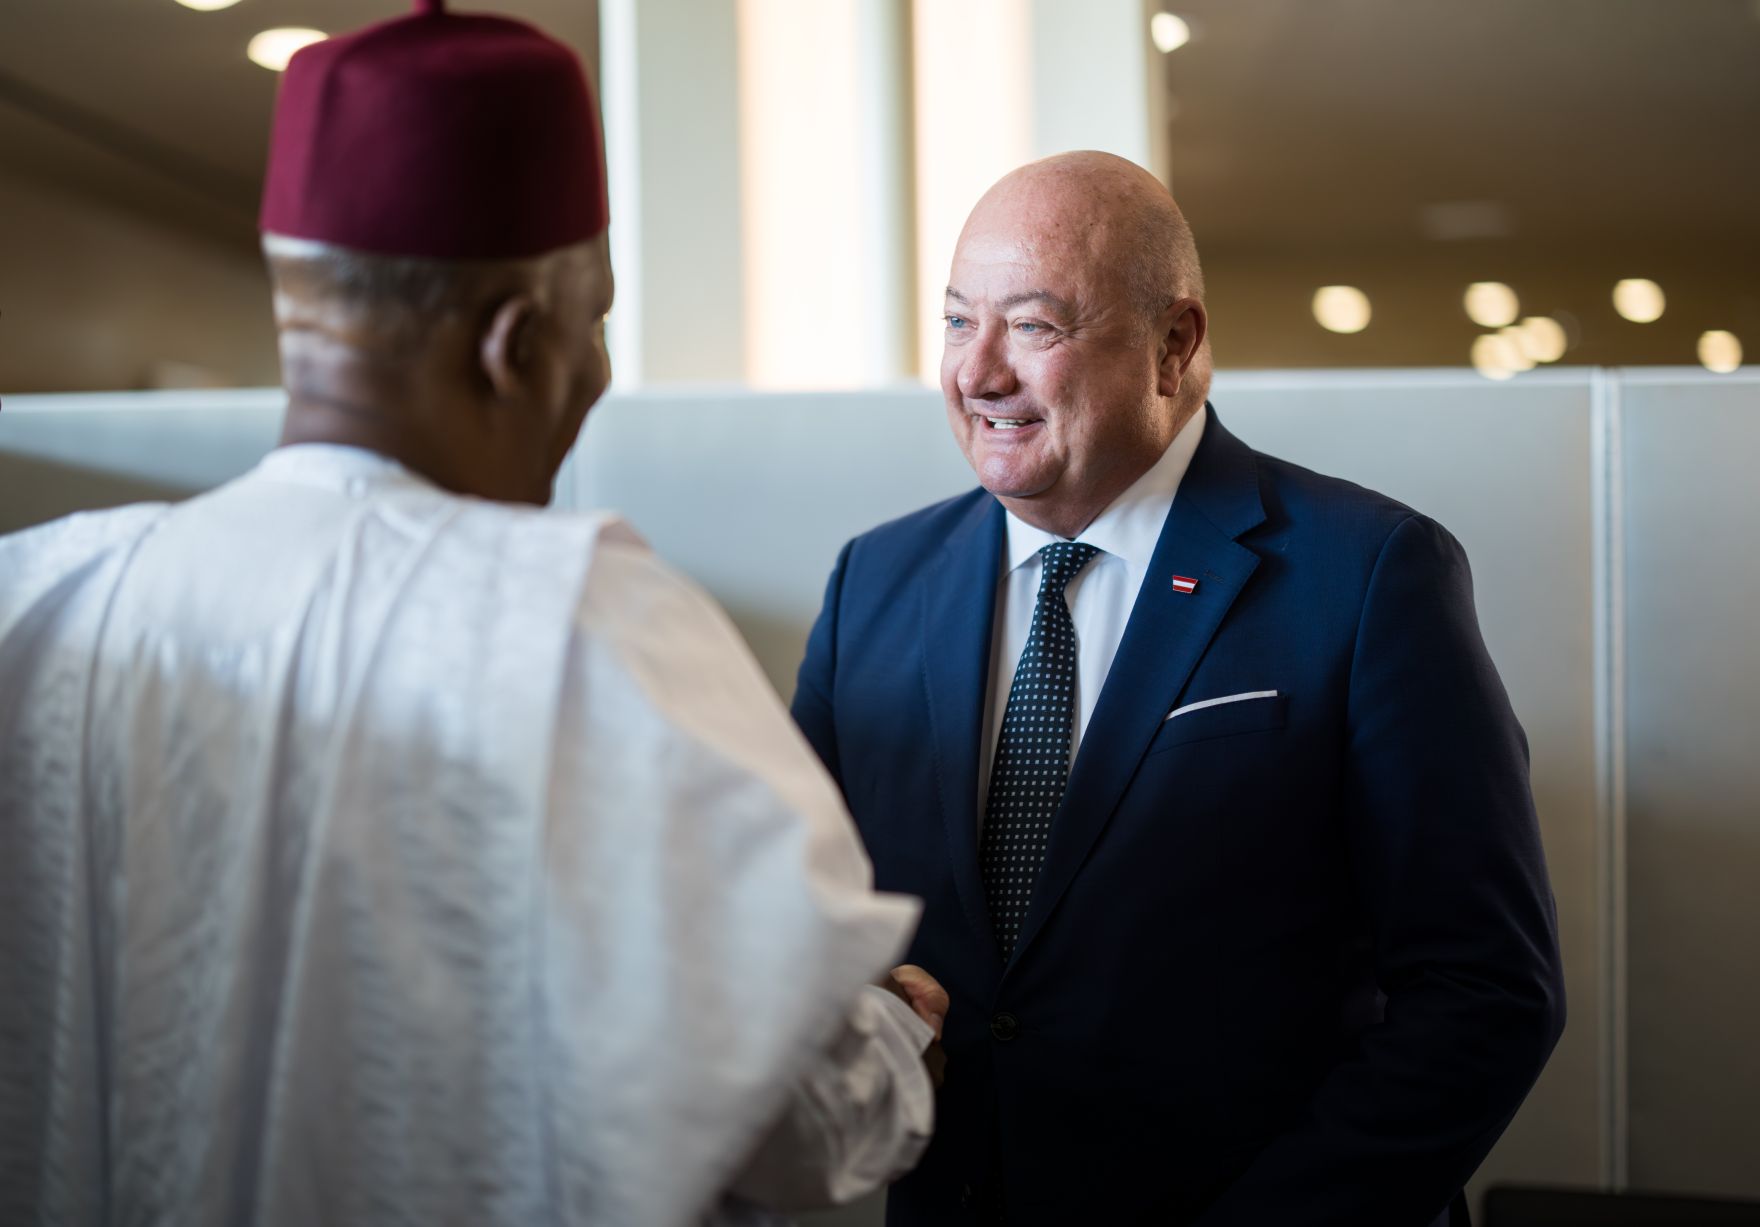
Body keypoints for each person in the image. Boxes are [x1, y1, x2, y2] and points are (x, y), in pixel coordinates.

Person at [0, 4, 946, 1224]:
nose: (593, 373)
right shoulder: (583, 624)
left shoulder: (44, 597)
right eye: (593, 321)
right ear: (517, 342)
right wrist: (890, 1032)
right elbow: (790, 1122)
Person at [791, 151, 1566, 1226]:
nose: (976, 374)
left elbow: (1484, 993)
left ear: (1173, 344)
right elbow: (795, 918)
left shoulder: (1369, 574)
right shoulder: (874, 581)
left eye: (1033, 327)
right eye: (958, 321)